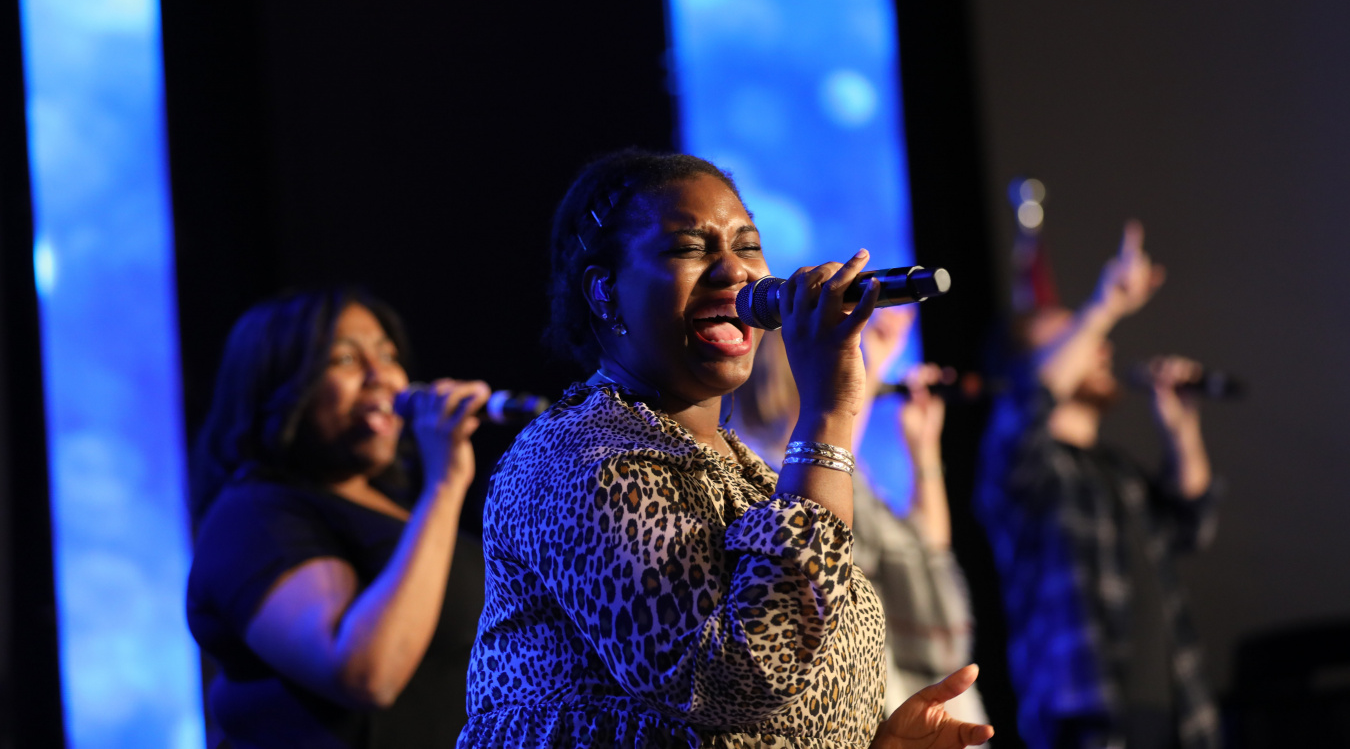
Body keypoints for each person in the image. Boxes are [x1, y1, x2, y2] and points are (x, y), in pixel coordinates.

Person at [457, 148, 994, 749]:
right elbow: (736, 676)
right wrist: (829, 411)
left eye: (747, 245)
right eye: (690, 248)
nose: (735, 271)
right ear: (605, 292)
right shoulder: (577, 460)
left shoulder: (748, 474)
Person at [187, 287, 489, 748]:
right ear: (280, 387)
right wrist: (445, 484)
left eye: (387, 356)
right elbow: (367, 674)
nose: (381, 377)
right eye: (345, 359)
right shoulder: (252, 517)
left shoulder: (396, 509)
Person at [975, 222, 1221, 749]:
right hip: (1086, 717)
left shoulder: (1114, 469)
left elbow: (1192, 525)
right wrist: (1105, 304)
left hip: (1177, 715)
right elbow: (1028, 403)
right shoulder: (1021, 464)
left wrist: (1182, 431)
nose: (1100, 346)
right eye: (1073, 337)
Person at [732, 309, 991, 728]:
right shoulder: (774, 478)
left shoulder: (853, 480)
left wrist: (923, 448)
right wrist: (869, 362)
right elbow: (828, 462)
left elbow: (928, 548)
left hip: (921, 685)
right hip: (869, 706)